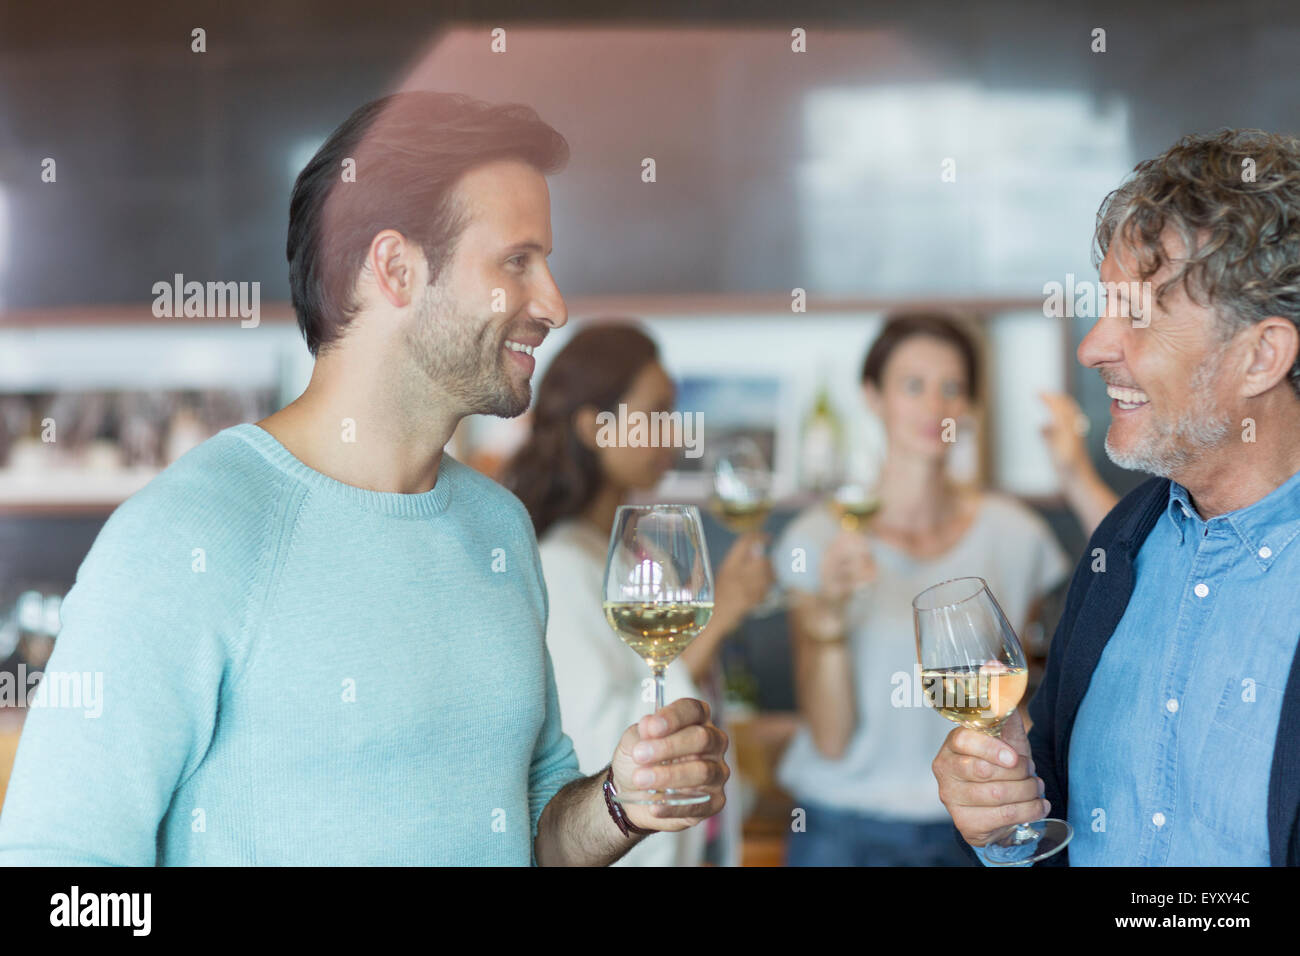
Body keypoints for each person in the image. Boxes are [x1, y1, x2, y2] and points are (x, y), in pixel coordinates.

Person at [0, 92, 729, 866]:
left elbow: (529, 832)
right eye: (517, 261)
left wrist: (619, 802)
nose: (552, 302)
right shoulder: (185, 537)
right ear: (396, 267)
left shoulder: (498, 530)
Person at [934, 128, 1300, 866]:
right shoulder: (1119, 550)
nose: (1093, 345)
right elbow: (1056, 826)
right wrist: (1005, 823)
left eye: (1136, 313)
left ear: (1261, 355)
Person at [775, 312, 1073, 866]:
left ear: (969, 406)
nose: (934, 406)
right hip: (841, 830)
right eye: (913, 385)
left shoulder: (1016, 535)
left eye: (951, 388)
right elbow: (831, 740)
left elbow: (1021, 700)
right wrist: (829, 626)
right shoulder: (816, 540)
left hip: (972, 831)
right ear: (873, 396)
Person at [501, 321, 773, 866]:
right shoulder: (559, 564)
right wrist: (721, 616)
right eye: (656, 414)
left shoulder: (630, 550)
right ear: (593, 427)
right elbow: (600, 738)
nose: (672, 434)